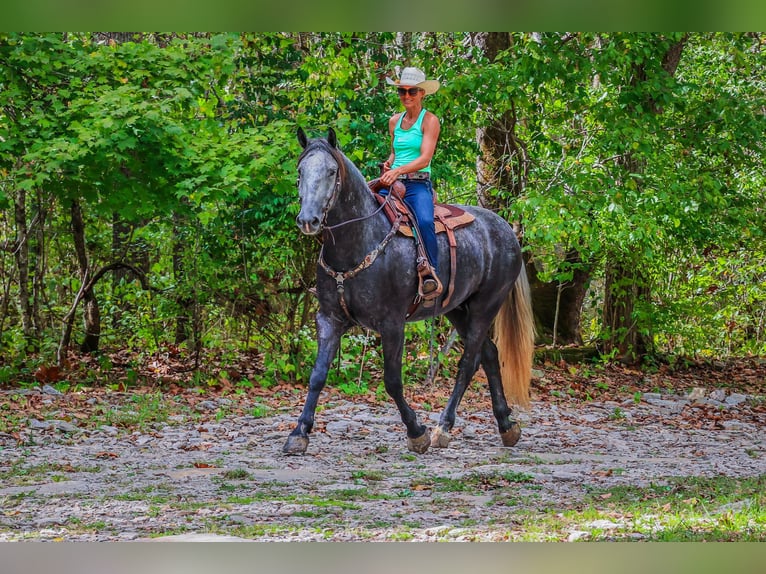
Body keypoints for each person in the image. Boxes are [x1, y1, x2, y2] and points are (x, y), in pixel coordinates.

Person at [379, 67, 442, 300]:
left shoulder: (430, 120)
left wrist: (397, 171)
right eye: (402, 92)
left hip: (417, 183)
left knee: (425, 220)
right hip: (393, 179)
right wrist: (389, 164)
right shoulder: (394, 121)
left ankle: (430, 274)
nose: (406, 96)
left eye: (411, 91)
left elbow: (425, 158)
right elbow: (395, 153)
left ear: (421, 93)